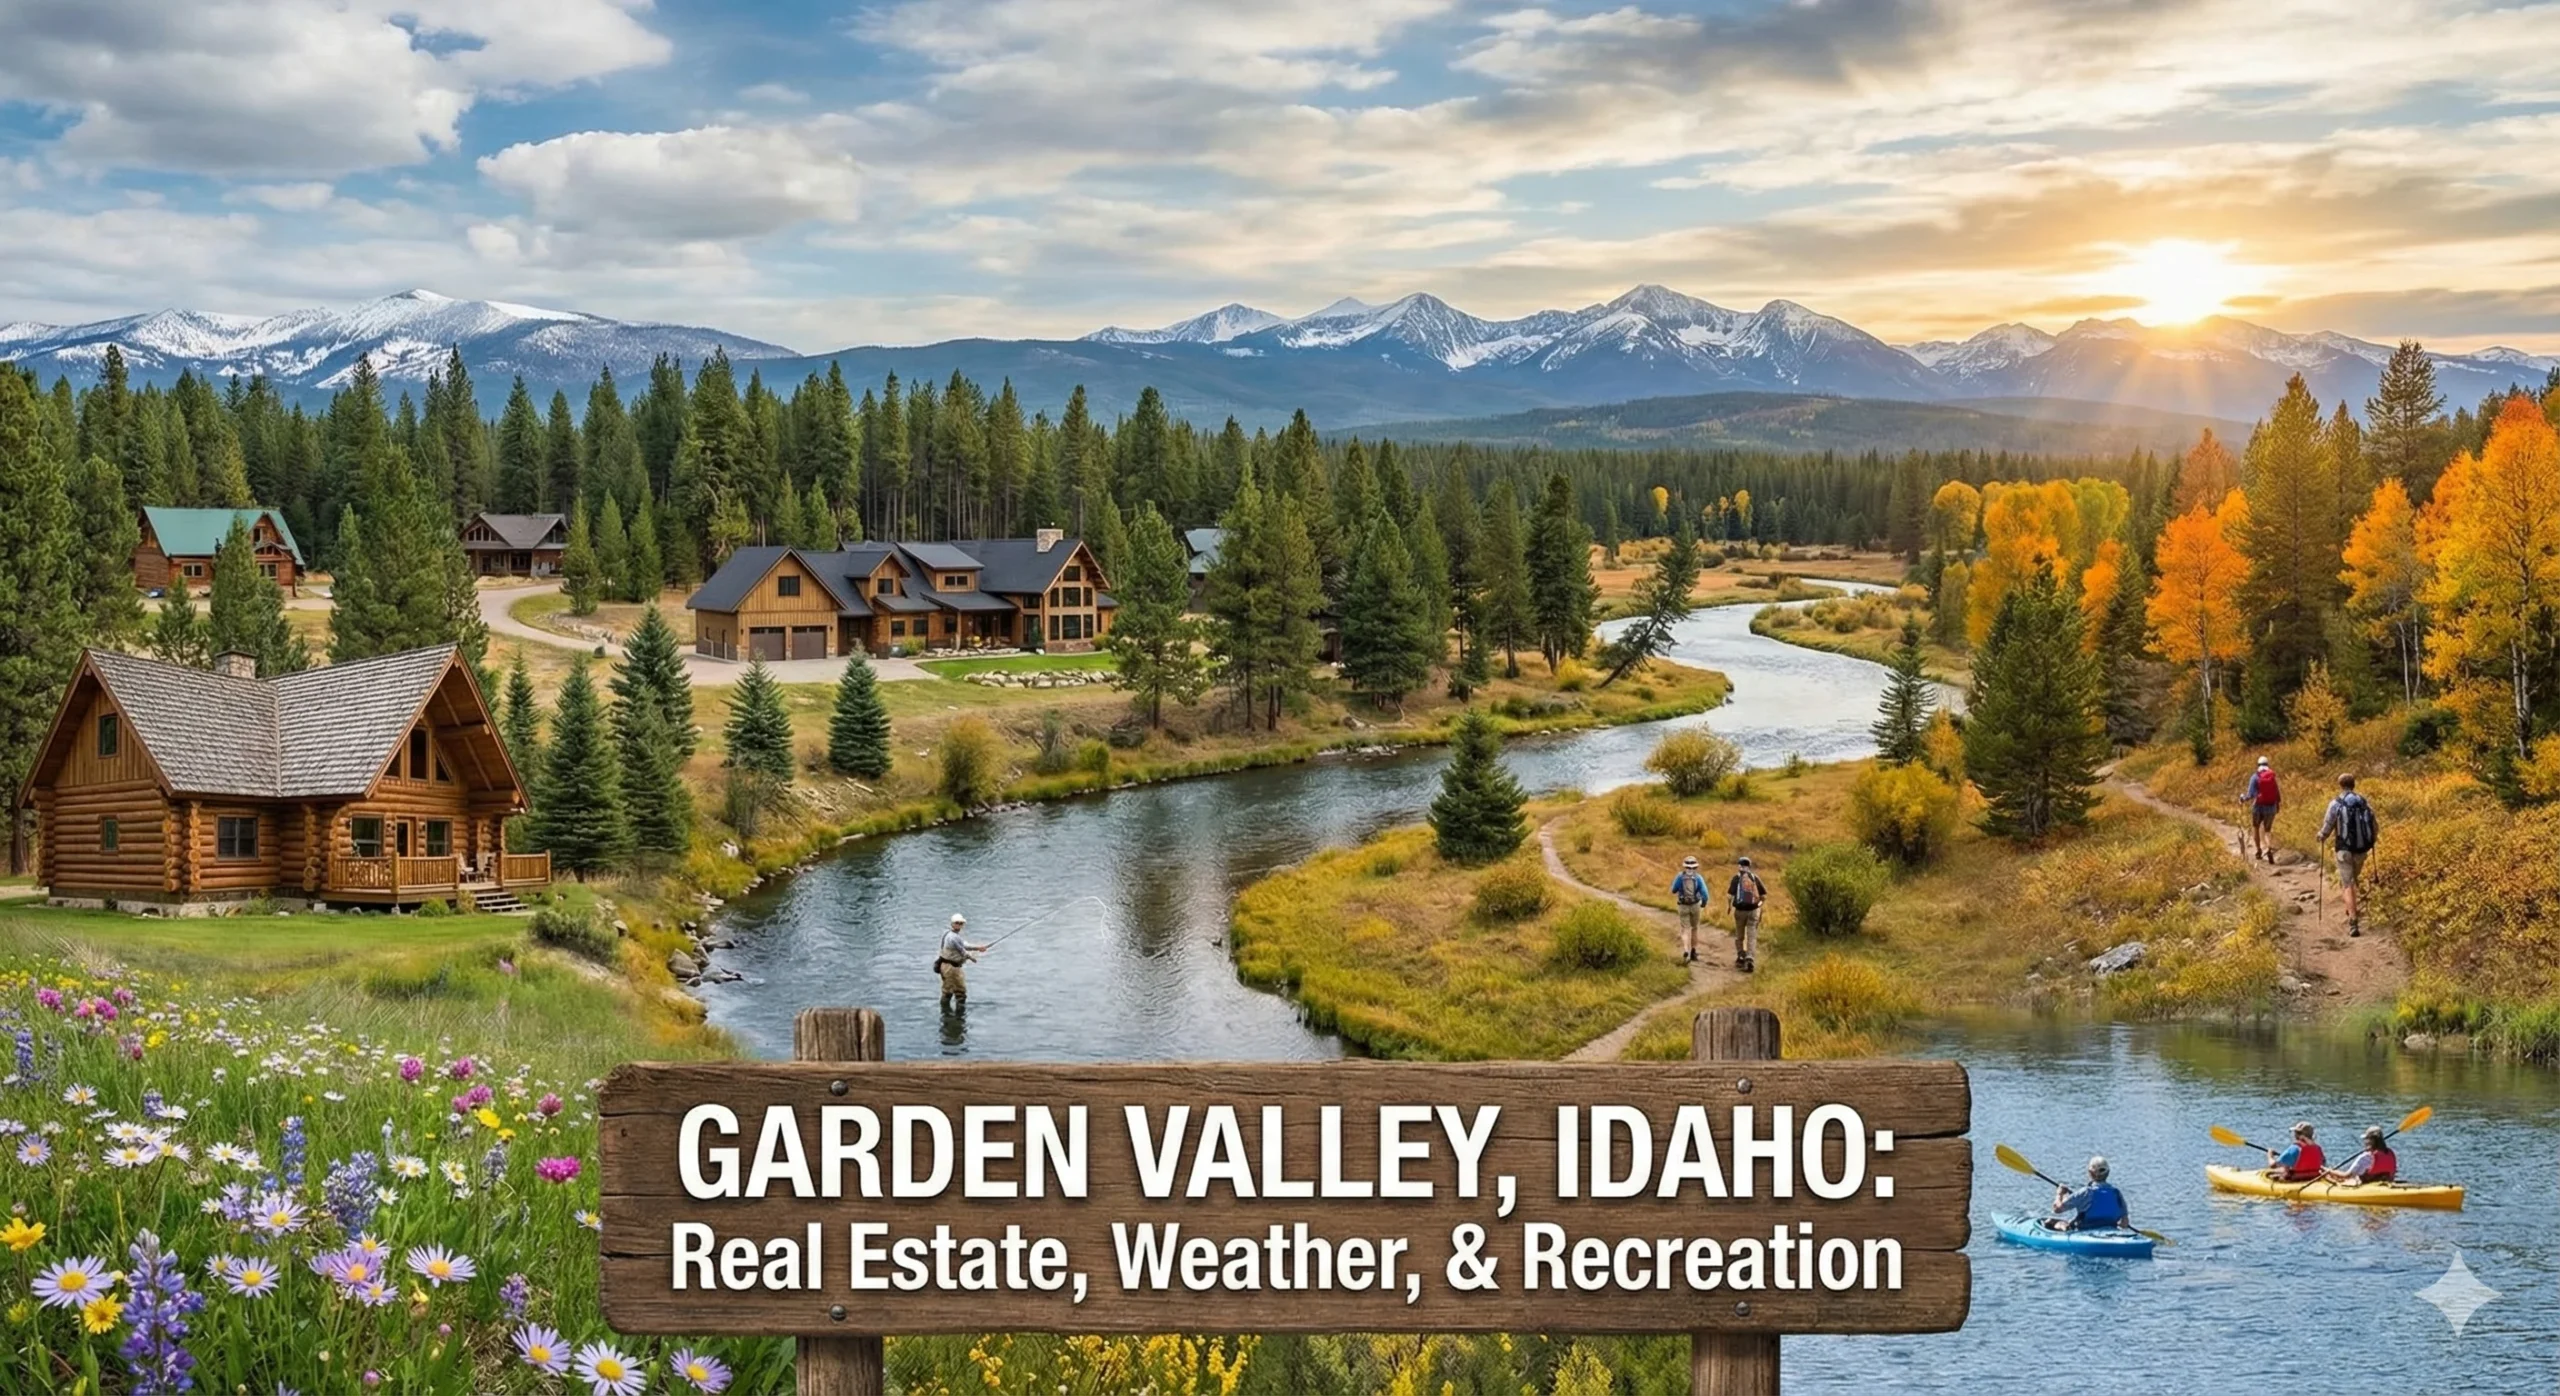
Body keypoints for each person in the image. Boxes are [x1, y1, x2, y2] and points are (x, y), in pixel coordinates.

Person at [2315, 773, 2380, 936]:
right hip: (2362, 849)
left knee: (2347, 883)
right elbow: (2374, 825)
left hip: (2344, 850)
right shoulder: (2364, 803)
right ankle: (2350, 907)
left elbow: (2328, 825)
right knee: (2353, 880)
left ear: (2340, 785)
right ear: (2354, 785)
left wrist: (2321, 836)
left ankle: (2353, 920)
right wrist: (2371, 841)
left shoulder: (2336, 803)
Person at [2050, 1155, 2132, 1232]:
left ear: (2090, 1173)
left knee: (2052, 1222)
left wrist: (2059, 1194)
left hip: (2084, 1230)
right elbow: (2124, 1223)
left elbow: (2057, 1209)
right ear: (2108, 1173)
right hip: (2111, 1231)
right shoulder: (2117, 1193)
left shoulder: (2086, 1192)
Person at [934, 913, 990, 1007]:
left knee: (955, 991)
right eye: (957, 923)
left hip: (952, 967)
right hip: (950, 968)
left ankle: (953, 1016)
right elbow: (962, 951)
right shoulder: (953, 937)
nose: (959, 925)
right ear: (952, 924)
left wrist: (978, 948)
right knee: (952, 992)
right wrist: (972, 958)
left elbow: (964, 945)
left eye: (961, 923)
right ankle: (950, 1015)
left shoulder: (951, 934)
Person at [1727, 856, 1768, 974]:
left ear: (1739, 866)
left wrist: (1729, 906)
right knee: (1751, 935)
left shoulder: (1736, 878)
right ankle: (1750, 957)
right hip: (1754, 911)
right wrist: (1759, 905)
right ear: (1749, 866)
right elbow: (1764, 896)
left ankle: (1740, 956)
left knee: (1739, 935)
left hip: (1740, 911)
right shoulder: (1755, 878)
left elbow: (1729, 895)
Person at [1670, 856, 1712, 964]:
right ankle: (1693, 951)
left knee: (1684, 929)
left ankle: (1685, 950)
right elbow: (1705, 894)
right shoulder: (1698, 878)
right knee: (1694, 928)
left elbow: (1673, 890)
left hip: (1683, 905)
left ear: (1685, 866)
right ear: (1695, 867)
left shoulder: (1680, 877)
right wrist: (1704, 903)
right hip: (1695, 905)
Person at [2239, 756, 2281, 863]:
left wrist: (2242, 798)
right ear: (2267, 764)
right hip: (2271, 807)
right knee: (2267, 830)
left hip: (2258, 806)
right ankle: (2269, 847)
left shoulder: (2255, 777)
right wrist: (2277, 805)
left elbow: (2250, 795)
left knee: (2255, 827)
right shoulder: (2272, 776)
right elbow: (2277, 793)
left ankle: (2259, 851)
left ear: (2258, 765)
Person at [2327, 1126, 2398, 1186]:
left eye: (2366, 1139)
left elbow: (2346, 1175)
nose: (2365, 1141)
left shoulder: (2364, 1157)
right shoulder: (2390, 1153)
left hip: (2368, 1185)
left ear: (2371, 1141)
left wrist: (2329, 1171)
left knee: (2339, 1178)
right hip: (2387, 1183)